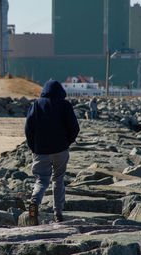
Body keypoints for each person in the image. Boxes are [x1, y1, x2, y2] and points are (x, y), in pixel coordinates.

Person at [25, 80, 80, 225]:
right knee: (58, 179)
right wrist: (67, 142)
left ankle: (34, 204)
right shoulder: (65, 105)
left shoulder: (37, 104)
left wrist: (34, 147)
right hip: (60, 150)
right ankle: (58, 213)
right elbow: (75, 128)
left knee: (41, 180)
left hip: (41, 150)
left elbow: (28, 129)